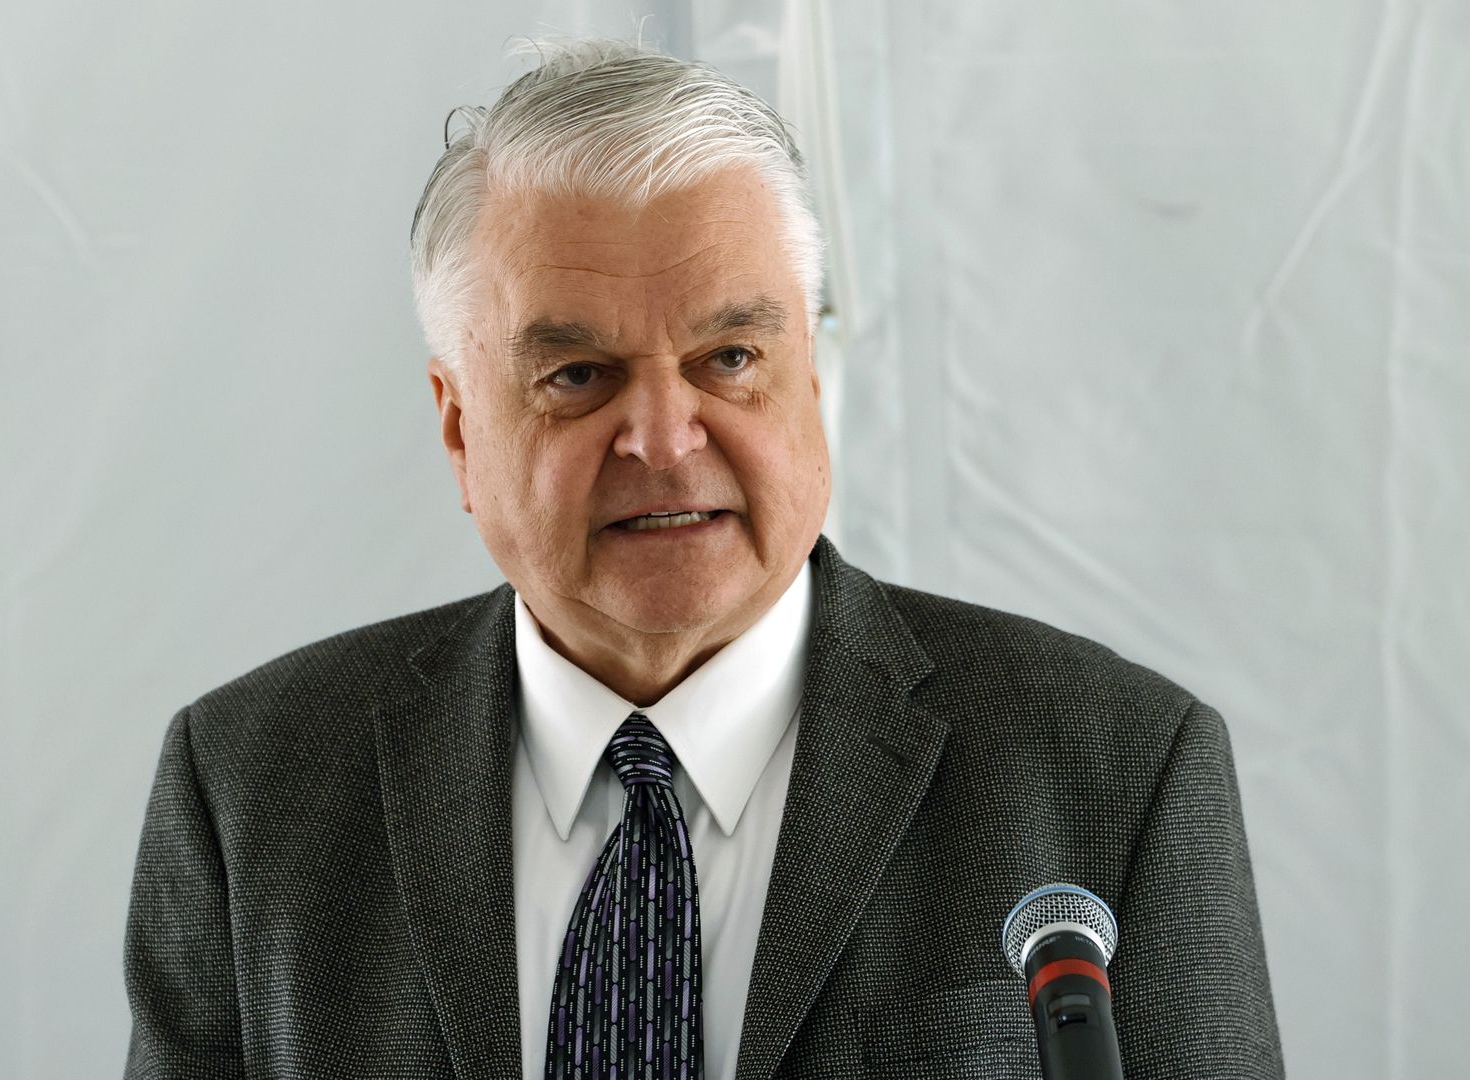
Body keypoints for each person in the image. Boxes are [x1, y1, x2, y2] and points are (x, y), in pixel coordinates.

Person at [120, 37, 1284, 1080]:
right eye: (578, 376)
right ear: (461, 428)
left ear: (811, 382)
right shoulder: (252, 789)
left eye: (729, 357)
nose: (666, 440)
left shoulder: (1117, 771)